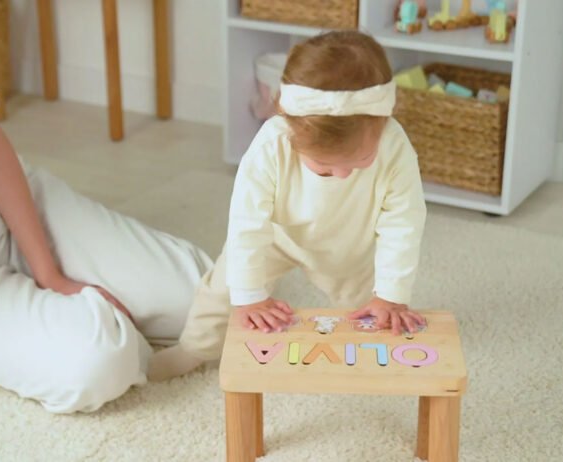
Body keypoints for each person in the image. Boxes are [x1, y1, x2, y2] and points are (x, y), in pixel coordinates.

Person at [0, 0, 212, 413]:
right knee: (99, 363)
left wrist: (49, 273)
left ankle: (79, 307)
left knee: (203, 296)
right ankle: (98, 330)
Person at [159, 31, 428, 375]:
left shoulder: (394, 145)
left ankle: (369, 358)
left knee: (373, 316)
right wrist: (250, 295)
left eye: (361, 159)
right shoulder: (272, 144)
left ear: (383, 119)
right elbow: (247, 224)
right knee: (222, 291)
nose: (343, 174)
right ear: (291, 128)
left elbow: (403, 224)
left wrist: (391, 295)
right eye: (324, 165)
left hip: (351, 249)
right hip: (276, 238)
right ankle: (194, 348)